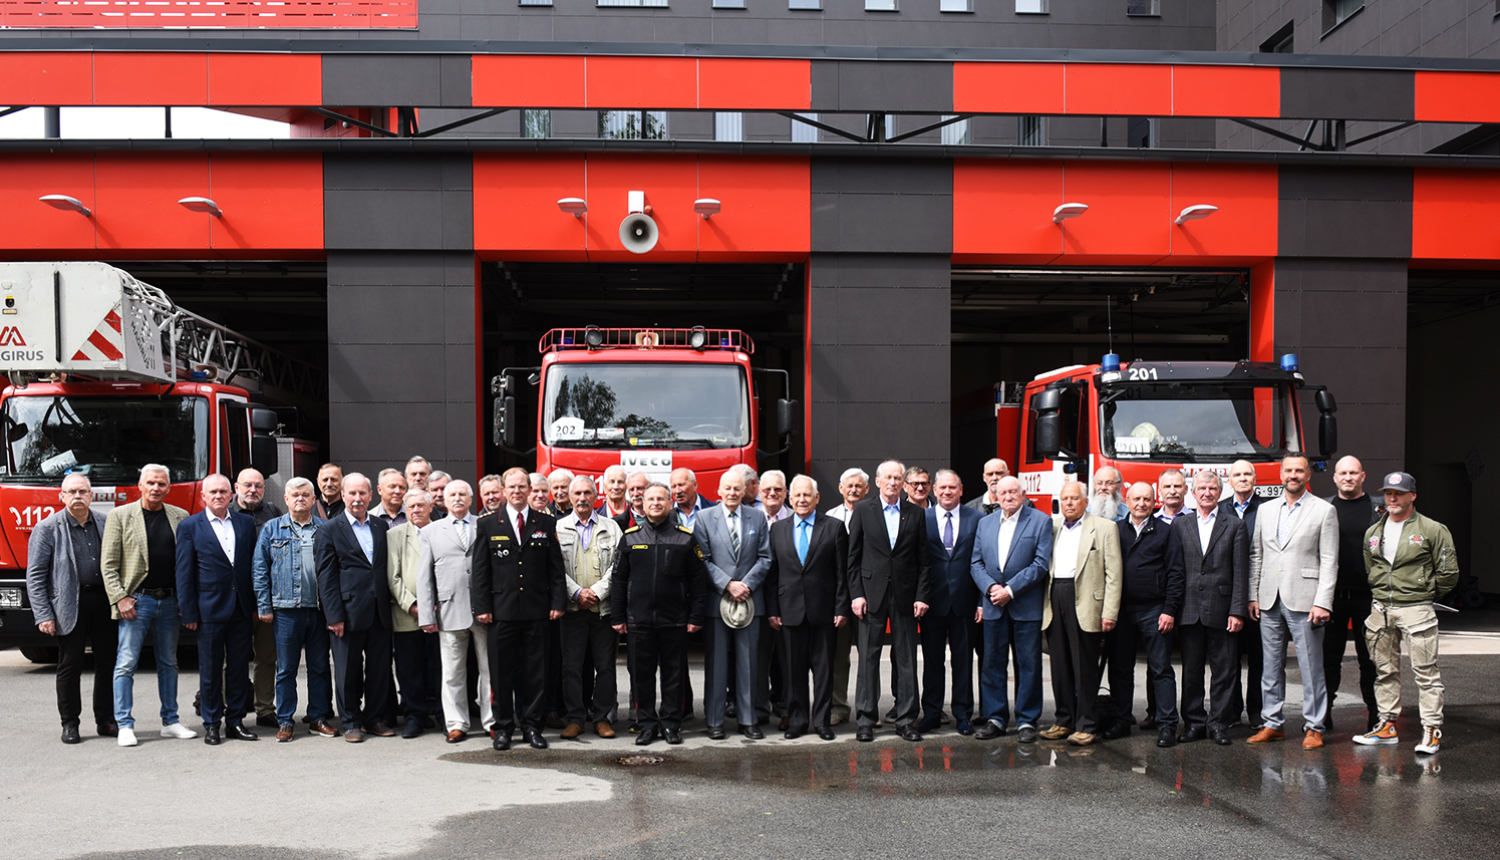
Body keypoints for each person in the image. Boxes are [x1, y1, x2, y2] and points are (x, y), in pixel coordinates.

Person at [1353, 472, 1458, 755]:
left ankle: (1431, 730)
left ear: (1412, 496)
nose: (1392, 498)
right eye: (1388, 493)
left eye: (1398, 493)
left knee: (1426, 673)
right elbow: (1372, 568)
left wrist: (1424, 595)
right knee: (1384, 671)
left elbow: (1448, 572)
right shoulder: (1374, 532)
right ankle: (1387, 725)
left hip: (1416, 610)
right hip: (1382, 610)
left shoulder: (1433, 529)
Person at [1248, 454, 1338, 750]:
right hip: (1269, 599)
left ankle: (1314, 727)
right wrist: (1252, 594)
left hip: (1306, 600)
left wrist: (1323, 602)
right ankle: (1272, 723)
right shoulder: (1265, 510)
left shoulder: (1324, 510)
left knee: (1311, 668)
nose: (1293, 475)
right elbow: (1257, 554)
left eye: (1299, 470)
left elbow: (1329, 560)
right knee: (1270, 666)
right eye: (1288, 470)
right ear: (1281, 474)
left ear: (1308, 475)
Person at [472, 468, 566, 751]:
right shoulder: (488, 524)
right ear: (504, 490)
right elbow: (480, 571)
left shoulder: (546, 523)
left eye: (522, 486)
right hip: (501, 612)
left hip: (538, 611)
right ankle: (502, 728)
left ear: (529, 489)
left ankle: (532, 726)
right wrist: (482, 607)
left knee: (536, 672)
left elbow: (555, 568)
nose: (517, 491)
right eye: (511, 487)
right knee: (501, 674)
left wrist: (558, 602)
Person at [102, 464, 195, 747]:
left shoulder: (180, 516)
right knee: (126, 663)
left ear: (168, 488)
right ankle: (125, 725)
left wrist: (184, 599)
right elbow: (108, 564)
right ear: (140, 485)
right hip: (136, 602)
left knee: (169, 663)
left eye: (161, 484)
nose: (156, 488)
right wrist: (120, 598)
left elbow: (186, 563)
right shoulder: (119, 516)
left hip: (169, 601)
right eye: (151, 483)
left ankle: (170, 722)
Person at [611, 483, 710, 746]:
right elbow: (619, 580)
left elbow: (698, 582)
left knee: (673, 676)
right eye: (650, 499)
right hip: (638, 621)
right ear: (642, 504)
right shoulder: (630, 538)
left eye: (661, 499)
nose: (655, 503)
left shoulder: (685, 538)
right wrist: (618, 616)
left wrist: (696, 616)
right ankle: (646, 725)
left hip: (674, 620)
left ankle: (670, 724)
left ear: (669, 503)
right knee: (641, 676)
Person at [26, 473, 116, 743]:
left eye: (82, 491)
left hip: (103, 603)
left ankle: (106, 720)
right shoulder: (47, 528)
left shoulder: (105, 522)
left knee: (107, 663)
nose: (78, 496)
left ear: (91, 495)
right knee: (70, 665)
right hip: (69, 604)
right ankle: (70, 724)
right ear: (62, 496)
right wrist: (43, 614)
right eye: (72, 492)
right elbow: (36, 575)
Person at [847, 459, 931, 742]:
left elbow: (924, 561)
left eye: (898, 478)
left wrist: (921, 596)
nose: (893, 482)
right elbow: (852, 558)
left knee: (906, 659)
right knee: (868, 658)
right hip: (871, 595)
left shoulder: (915, 514)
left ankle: (906, 720)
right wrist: (857, 594)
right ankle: (866, 720)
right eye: (888, 478)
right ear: (878, 481)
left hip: (905, 596)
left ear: (903, 483)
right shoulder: (862, 510)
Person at [252, 477, 336, 742]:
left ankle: (318, 718)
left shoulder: (326, 528)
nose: (300, 498)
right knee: (286, 669)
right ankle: (286, 721)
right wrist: (264, 606)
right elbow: (259, 569)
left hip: (319, 610)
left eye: (305, 495)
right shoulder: (271, 529)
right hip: (286, 610)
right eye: (295, 495)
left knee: (320, 667)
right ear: (286, 499)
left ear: (313, 499)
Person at [177, 474, 259, 745]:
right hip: (208, 611)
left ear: (231, 494)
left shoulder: (245, 523)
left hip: (241, 609)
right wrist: (188, 612)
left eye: (223, 491)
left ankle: (235, 722)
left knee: (238, 669)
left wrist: (255, 605)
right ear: (203, 496)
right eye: (212, 492)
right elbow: (184, 572)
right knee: (210, 670)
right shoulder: (189, 526)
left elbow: (252, 567)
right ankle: (212, 723)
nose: (218, 496)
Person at [766, 475, 850, 740]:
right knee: (793, 672)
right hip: (788, 611)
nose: (802, 500)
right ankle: (798, 721)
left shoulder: (834, 527)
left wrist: (841, 608)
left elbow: (842, 572)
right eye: (797, 495)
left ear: (817, 498)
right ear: (790, 499)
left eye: (807, 495)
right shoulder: (777, 530)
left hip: (824, 611)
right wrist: (773, 610)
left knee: (824, 671)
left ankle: (822, 722)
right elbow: (772, 574)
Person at [969, 476, 1051, 744]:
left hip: (1025, 606)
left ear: (1023, 493)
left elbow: (1040, 564)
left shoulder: (1040, 521)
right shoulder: (985, 523)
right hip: (993, 605)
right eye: (1003, 493)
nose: (1008, 497)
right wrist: (992, 588)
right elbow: (976, 563)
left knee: (1028, 666)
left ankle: (1027, 720)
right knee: (992, 664)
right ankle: (996, 718)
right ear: (996, 495)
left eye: (1013, 492)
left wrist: (1010, 590)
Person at [1039, 481, 1122, 746]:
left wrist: (1109, 612)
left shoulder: (1104, 527)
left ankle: (1087, 724)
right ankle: (1064, 720)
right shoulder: (1052, 527)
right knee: (1059, 666)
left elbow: (1114, 574)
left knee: (1084, 667)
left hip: (1086, 603)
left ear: (1086, 502)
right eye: (1065, 499)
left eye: (1074, 498)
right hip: (1055, 598)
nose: (1069, 503)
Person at [315, 472, 395, 743]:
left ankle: (374, 719)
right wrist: (334, 616)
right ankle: (350, 722)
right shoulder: (329, 529)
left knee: (379, 670)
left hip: (379, 611)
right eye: (352, 493)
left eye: (362, 493)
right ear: (343, 495)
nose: (357, 498)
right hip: (347, 614)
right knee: (348, 671)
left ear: (371, 496)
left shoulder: (380, 526)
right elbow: (326, 576)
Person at [1103, 482, 1184, 747]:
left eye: (1147, 499)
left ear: (1154, 502)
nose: (1141, 504)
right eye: (1136, 499)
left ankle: (1167, 724)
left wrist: (1169, 610)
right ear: (1126, 501)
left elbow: (1176, 573)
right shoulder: (1115, 530)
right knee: (1120, 669)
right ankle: (1121, 720)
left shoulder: (1166, 532)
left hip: (1154, 610)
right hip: (1121, 611)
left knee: (1161, 669)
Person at [1172, 471, 1248, 746]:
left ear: (1220, 492)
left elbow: (1241, 571)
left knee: (1224, 671)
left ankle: (1219, 724)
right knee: (1191, 672)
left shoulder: (1235, 525)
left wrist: (1237, 611)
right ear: (1193, 493)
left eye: (1212, 488)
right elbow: (1175, 569)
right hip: (1190, 609)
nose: (1207, 493)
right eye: (1202, 488)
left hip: (1223, 609)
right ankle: (1194, 723)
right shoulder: (1180, 525)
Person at [695, 470, 772, 740]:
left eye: (737, 489)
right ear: (719, 490)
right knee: (716, 664)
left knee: (748, 663)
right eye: (727, 488)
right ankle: (714, 721)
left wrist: (746, 585)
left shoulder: (757, 517)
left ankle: (748, 720)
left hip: (750, 601)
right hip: (718, 601)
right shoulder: (704, 518)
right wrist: (728, 584)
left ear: (745, 492)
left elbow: (765, 557)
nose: (732, 493)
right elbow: (702, 559)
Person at [416, 480, 494, 744]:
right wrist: (427, 616)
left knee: (490, 670)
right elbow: (424, 577)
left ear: (471, 500)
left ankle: (491, 721)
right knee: (452, 673)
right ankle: (456, 724)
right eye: (452, 494)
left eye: (463, 494)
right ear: (444, 500)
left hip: (484, 611)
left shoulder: (485, 525)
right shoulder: (430, 531)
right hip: (449, 610)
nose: (458, 498)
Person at [555, 476, 623, 740]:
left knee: (605, 667)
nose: (582, 498)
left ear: (596, 496)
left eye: (587, 493)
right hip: (572, 611)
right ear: (570, 497)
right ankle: (575, 719)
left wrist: (596, 592)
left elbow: (618, 566)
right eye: (577, 493)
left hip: (602, 610)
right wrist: (576, 592)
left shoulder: (612, 527)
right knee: (571, 667)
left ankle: (601, 718)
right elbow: (554, 567)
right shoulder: (558, 527)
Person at [918, 469, 980, 735]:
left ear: (961, 490)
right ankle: (932, 713)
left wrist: (981, 601)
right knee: (932, 662)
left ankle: (963, 714)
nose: (947, 492)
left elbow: (982, 560)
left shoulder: (976, 519)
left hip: (965, 602)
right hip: (932, 602)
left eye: (952, 487)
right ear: (934, 490)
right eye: (942, 487)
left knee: (963, 661)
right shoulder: (922, 519)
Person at [1324, 455, 1383, 732]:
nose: (1348, 477)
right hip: (1331, 598)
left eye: (1353, 473)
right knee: (1328, 661)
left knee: (1370, 661)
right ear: (1335, 478)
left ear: (1363, 476)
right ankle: (1322, 715)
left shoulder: (1380, 509)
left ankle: (1376, 716)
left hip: (1368, 598)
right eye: (1343, 473)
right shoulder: (1323, 507)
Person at [230, 467, 284, 729]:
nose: (253, 490)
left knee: (266, 658)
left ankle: (264, 709)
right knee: (234, 660)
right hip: (235, 602)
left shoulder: (273, 512)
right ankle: (234, 709)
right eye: (247, 485)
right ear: (236, 487)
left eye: (258, 486)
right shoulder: (226, 512)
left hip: (268, 601)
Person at [386, 489, 439, 739]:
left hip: (440, 615)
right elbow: (393, 578)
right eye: (411, 506)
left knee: (438, 669)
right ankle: (414, 717)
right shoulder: (394, 535)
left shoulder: (441, 531)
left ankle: (441, 715)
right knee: (409, 670)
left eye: (421, 505)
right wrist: (414, 606)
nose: (416, 510)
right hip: (407, 615)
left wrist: (436, 605)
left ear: (430, 508)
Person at [1220, 459, 1267, 730]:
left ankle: (1257, 711)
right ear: (1230, 479)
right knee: (1230, 658)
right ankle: (1233, 710)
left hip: (1258, 596)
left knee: (1258, 657)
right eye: (1237, 474)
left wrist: (1255, 594)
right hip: (1227, 596)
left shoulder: (1267, 509)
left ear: (1255, 478)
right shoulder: (1219, 508)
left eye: (1247, 474)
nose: (1242, 478)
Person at [824, 466, 867, 725]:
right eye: (849, 485)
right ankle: (838, 707)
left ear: (867, 489)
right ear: (840, 488)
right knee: (838, 657)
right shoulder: (830, 518)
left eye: (858, 485)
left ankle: (867, 709)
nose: (853, 490)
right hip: (839, 599)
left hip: (868, 598)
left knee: (868, 657)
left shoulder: (874, 515)